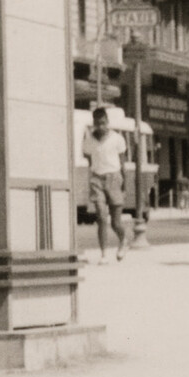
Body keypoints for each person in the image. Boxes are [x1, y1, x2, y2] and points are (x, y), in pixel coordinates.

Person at [80, 106, 131, 262]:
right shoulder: (88, 142)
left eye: (103, 123)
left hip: (114, 178)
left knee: (116, 222)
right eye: (97, 123)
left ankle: (123, 240)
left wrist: (124, 184)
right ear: (93, 123)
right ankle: (103, 254)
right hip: (97, 179)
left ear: (107, 122)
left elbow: (123, 164)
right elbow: (90, 161)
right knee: (101, 217)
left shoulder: (117, 139)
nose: (101, 127)